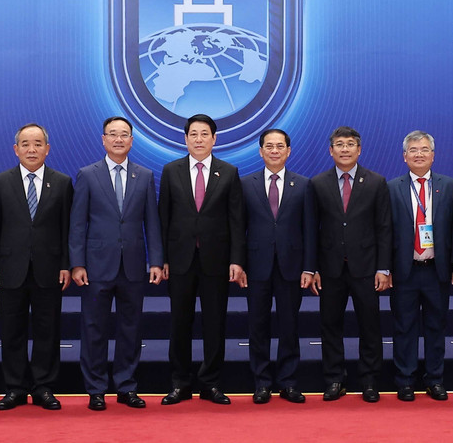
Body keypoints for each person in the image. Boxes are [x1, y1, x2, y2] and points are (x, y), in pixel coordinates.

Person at [69, 117, 164, 411]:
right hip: (96, 266)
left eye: (124, 135)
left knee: (130, 329)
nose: (119, 139)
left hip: (134, 266)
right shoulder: (87, 174)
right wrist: (77, 262)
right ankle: (96, 389)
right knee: (94, 328)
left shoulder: (145, 176)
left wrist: (156, 261)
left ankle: (126, 386)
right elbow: (78, 223)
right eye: (113, 134)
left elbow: (152, 223)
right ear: (103, 139)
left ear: (132, 141)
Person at [159, 114, 246, 405]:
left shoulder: (229, 172)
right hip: (180, 260)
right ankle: (180, 383)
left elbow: (236, 220)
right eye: (193, 134)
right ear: (185, 139)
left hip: (216, 261)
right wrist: (162, 259)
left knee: (214, 324)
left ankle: (210, 383)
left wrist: (236, 259)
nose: (198, 139)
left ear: (214, 139)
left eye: (204, 134)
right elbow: (163, 219)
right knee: (179, 324)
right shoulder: (170, 171)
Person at [0, 123, 73, 411]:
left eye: (38, 144)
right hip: (10, 268)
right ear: (16, 149)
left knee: (48, 330)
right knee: (12, 330)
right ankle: (15, 388)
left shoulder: (62, 182)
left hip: (49, 269)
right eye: (25, 144)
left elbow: (66, 229)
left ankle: (43, 387)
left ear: (47, 148)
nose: (31, 149)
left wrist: (65, 264)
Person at [311, 126, 392, 403]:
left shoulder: (376, 182)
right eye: (339, 144)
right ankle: (335, 379)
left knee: (370, 326)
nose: (345, 149)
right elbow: (312, 230)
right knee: (330, 325)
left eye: (350, 144)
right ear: (330, 150)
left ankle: (369, 381)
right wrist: (314, 268)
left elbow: (384, 228)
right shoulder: (318, 183)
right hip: (330, 269)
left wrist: (384, 268)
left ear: (359, 149)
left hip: (367, 269)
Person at [241, 129, 317, 404]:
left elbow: (310, 230)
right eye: (269, 146)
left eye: (280, 146)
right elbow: (239, 228)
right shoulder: (245, 183)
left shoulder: (304, 184)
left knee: (289, 325)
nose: (274, 151)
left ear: (288, 151)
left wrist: (309, 267)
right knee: (257, 326)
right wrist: (238, 263)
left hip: (292, 266)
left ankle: (288, 382)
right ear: (260, 151)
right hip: (256, 266)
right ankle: (261, 382)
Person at [387, 131, 453, 402]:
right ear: (404, 156)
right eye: (413, 150)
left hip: (436, 269)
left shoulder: (449, 186)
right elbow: (384, 232)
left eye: (424, 149)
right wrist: (385, 268)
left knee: (435, 326)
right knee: (404, 327)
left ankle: (435, 379)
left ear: (433, 155)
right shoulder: (391, 187)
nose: (419, 154)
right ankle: (405, 380)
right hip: (404, 270)